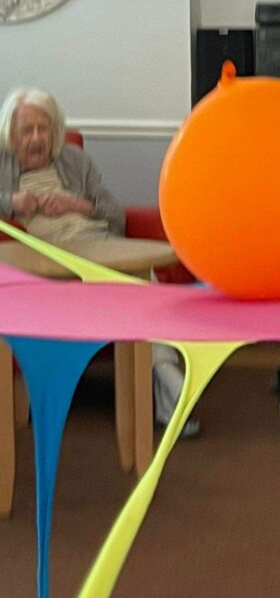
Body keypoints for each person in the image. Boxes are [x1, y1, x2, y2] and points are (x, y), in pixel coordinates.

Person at [0, 87, 199, 438]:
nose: (37, 138)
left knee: (144, 291)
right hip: (50, 262)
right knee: (136, 294)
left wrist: (78, 205)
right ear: (10, 134)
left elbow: (115, 215)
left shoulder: (74, 160)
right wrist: (12, 202)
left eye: (44, 128)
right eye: (27, 130)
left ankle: (166, 384)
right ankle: (171, 388)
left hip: (100, 245)